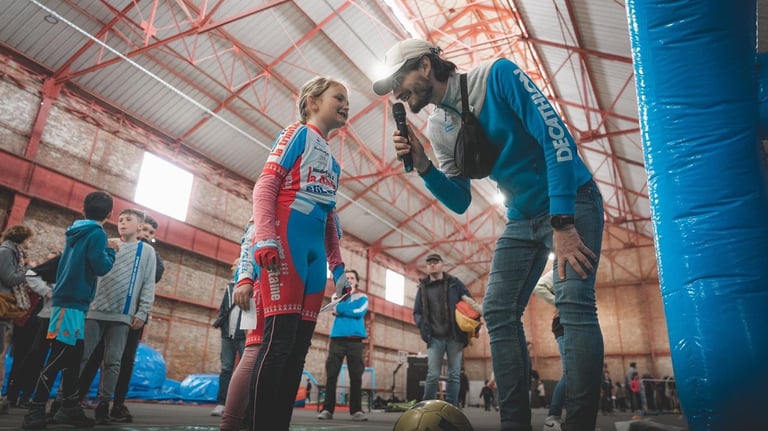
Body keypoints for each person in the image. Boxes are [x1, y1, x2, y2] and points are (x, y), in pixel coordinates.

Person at [374, 38, 605, 430]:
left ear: (426, 67)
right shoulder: (437, 126)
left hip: (571, 200)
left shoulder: (497, 76)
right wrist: (424, 164)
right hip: (521, 217)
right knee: (497, 310)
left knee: (574, 302)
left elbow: (556, 140)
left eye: (400, 79)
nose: (396, 92)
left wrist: (563, 222)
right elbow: (460, 200)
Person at [249, 75, 351, 431]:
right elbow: (265, 186)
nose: (346, 104)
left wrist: (338, 268)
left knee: (296, 351)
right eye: (339, 97)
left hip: (313, 259)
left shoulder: (334, 165)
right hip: (284, 246)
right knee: (277, 345)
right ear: (312, 101)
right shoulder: (297, 133)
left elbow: (328, 219)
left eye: (347, 100)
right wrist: (264, 237)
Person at [21, 190, 119, 429]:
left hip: (70, 300)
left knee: (73, 357)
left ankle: (69, 408)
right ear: (109, 214)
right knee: (59, 356)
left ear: (83, 209)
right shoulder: (97, 234)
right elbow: (100, 266)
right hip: (72, 302)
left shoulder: (75, 230)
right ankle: (35, 409)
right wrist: (111, 250)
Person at [78, 213, 165, 422]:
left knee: (123, 361)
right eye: (145, 230)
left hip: (131, 315)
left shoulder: (151, 255)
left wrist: (142, 312)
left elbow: (152, 280)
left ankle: (116, 404)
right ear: (139, 228)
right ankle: (76, 398)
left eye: (151, 233)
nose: (147, 235)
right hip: (104, 309)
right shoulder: (112, 245)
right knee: (92, 356)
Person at [219, 219, 262, 431]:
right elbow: (247, 246)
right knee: (252, 354)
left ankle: (249, 415)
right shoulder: (259, 216)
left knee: (258, 357)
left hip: (259, 291)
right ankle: (232, 420)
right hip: (257, 292)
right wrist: (244, 280)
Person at [413, 253, 471, 407]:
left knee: (454, 374)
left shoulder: (454, 283)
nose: (432, 265)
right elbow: (417, 311)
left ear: (441, 264)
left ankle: (452, 406)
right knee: (432, 374)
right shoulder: (423, 287)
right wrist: (422, 327)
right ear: (427, 266)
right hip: (434, 337)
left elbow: (468, 301)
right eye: (429, 263)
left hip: (455, 336)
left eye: (435, 262)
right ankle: (427, 406)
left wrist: (472, 320)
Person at [317, 269, 369, 421]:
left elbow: (358, 312)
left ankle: (356, 411)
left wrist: (340, 309)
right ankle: (327, 410)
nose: (350, 280)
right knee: (332, 375)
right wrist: (341, 307)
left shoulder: (363, 297)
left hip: (355, 341)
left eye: (352, 278)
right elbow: (337, 307)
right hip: (337, 339)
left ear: (357, 281)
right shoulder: (336, 296)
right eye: (347, 278)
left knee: (356, 376)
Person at [0, 224, 35, 413]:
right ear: (21, 238)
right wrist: (28, 270)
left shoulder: (12, 252)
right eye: (28, 240)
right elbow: (9, 278)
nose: (29, 244)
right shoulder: (7, 252)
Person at [211, 259, 246, 417]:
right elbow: (224, 308)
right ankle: (221, 403)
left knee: (245, 370)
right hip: (227, 334)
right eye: (236, 265)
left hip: (243, 334)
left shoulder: (250, 287)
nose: (238, 268)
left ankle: (242, 406)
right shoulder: (229, 287)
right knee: (226, 369)